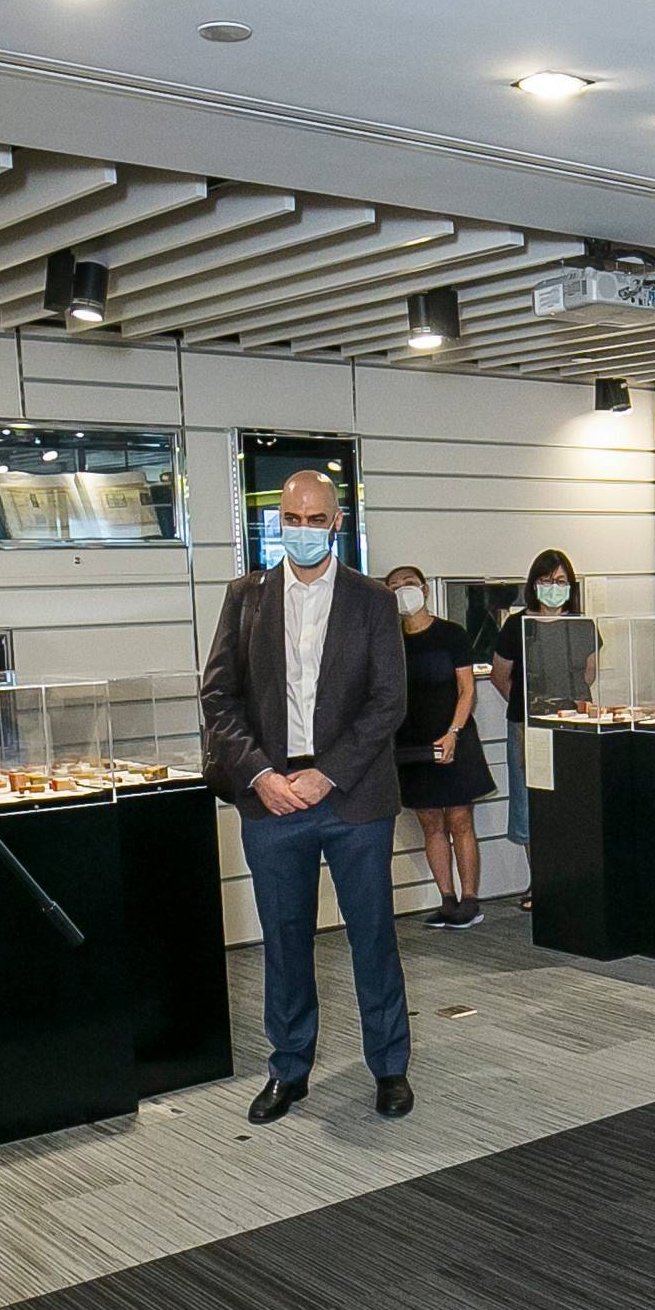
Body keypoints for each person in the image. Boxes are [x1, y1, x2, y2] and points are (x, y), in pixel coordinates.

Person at [200, 468, 414, 1122]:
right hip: (271, 799)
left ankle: (390, 1067)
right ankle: (289, 1069)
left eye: (314, 520)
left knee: (372, 936)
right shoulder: (246, 596)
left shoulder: (373, 600)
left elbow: (389, 703)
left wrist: (329, 772)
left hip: (351, 797)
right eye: (290, 520)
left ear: (336, 524)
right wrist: (261, 775)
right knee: (285, 939)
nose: (302, 531)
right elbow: (218, 697)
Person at [484, 547, 601, 910]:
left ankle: (575, 878)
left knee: (572, 802)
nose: (554, 587)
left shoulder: (582, 624)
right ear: (534, 584)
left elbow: (588, 674)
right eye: (548, 580)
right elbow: (499, 675)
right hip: (527, 727)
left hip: (573, 728)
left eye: (562, 581)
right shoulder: (516, 625)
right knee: (530, 805)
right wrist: (527, 708)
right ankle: (541, 882)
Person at [385, 565, 493, 930]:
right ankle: (446, 899)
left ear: (425, 590)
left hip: (453, 736)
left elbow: (467, 690)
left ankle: (470, 899)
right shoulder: (388, 639)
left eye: (409, 585)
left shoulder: (451, 634)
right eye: (394, 586)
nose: (403, 591)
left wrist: (454, 732)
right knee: (429, 820)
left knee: (460, 818)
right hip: (409, 744)